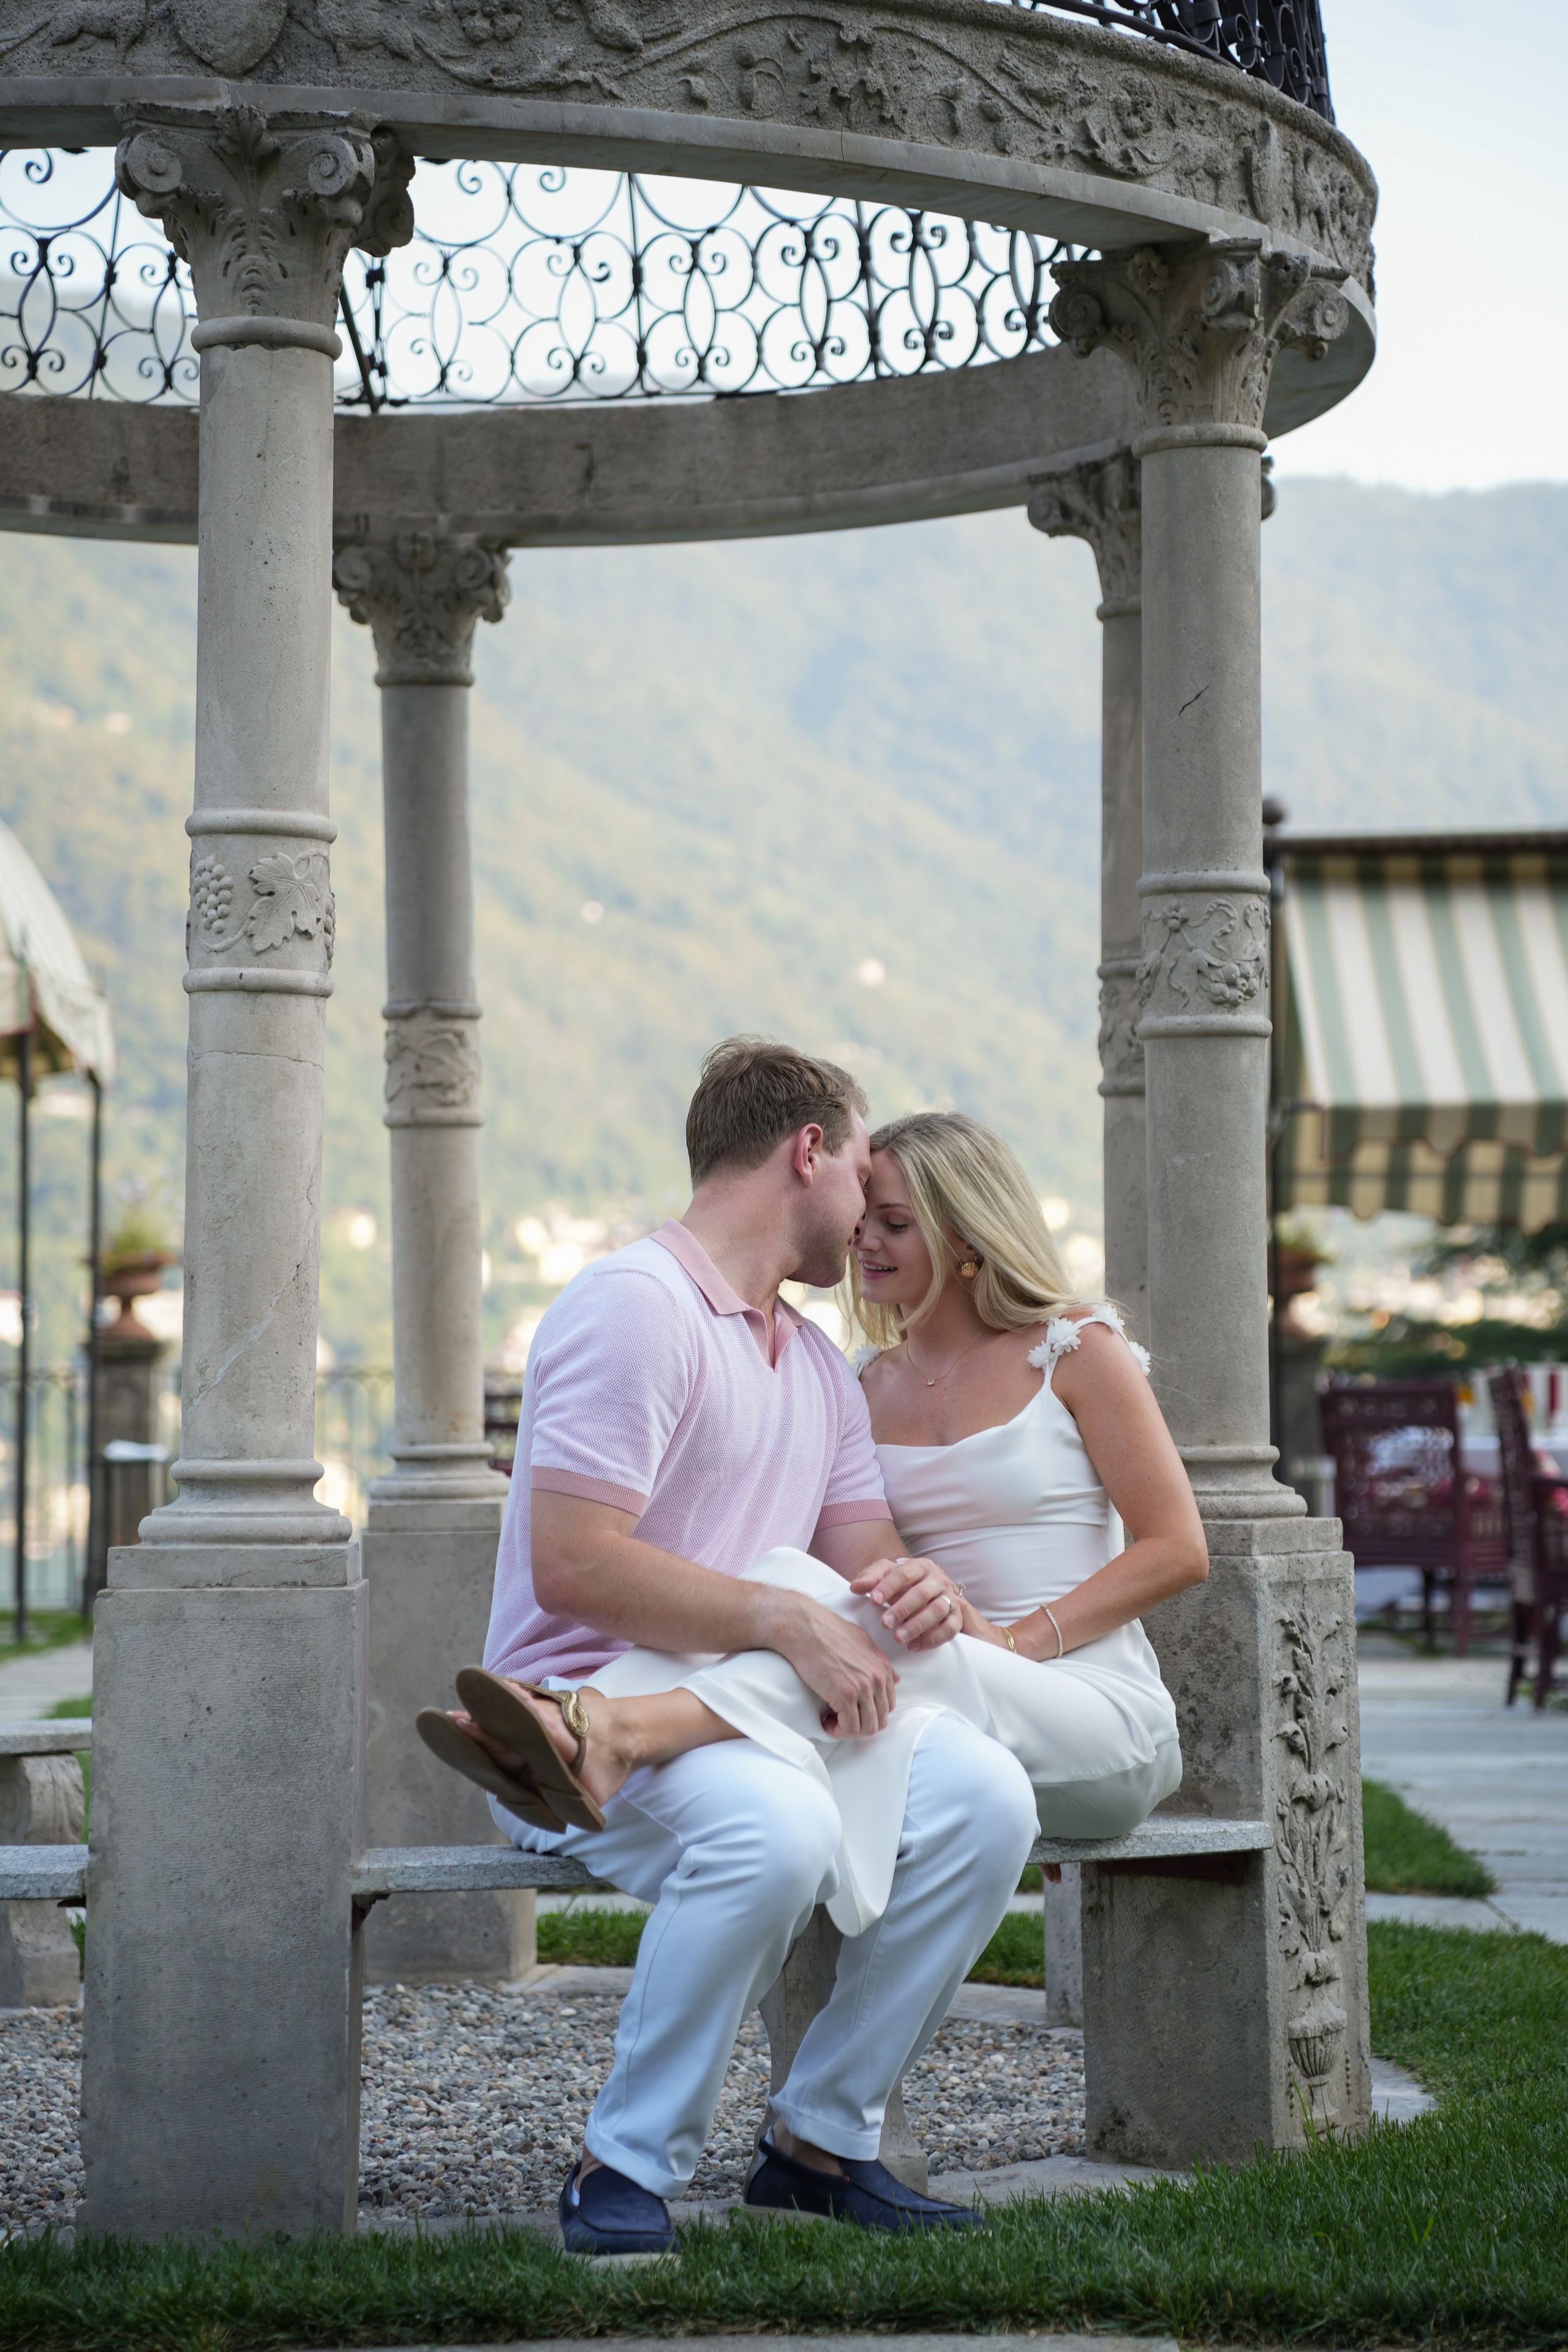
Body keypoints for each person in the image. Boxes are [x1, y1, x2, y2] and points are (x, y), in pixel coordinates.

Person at [424, 1040, 1039, 2255]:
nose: (867, 1205)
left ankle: (819, 2144)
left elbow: (857, 1574)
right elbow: (573, 1565)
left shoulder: (814, 1366)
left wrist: (909, 1589)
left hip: (756, 1713)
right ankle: (622, 2164)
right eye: (861, 1169)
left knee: (987, 1797)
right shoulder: (633, 1308)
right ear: (809, 1153)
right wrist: (780, 1618)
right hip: (575, 1712)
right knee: (779, 1827)